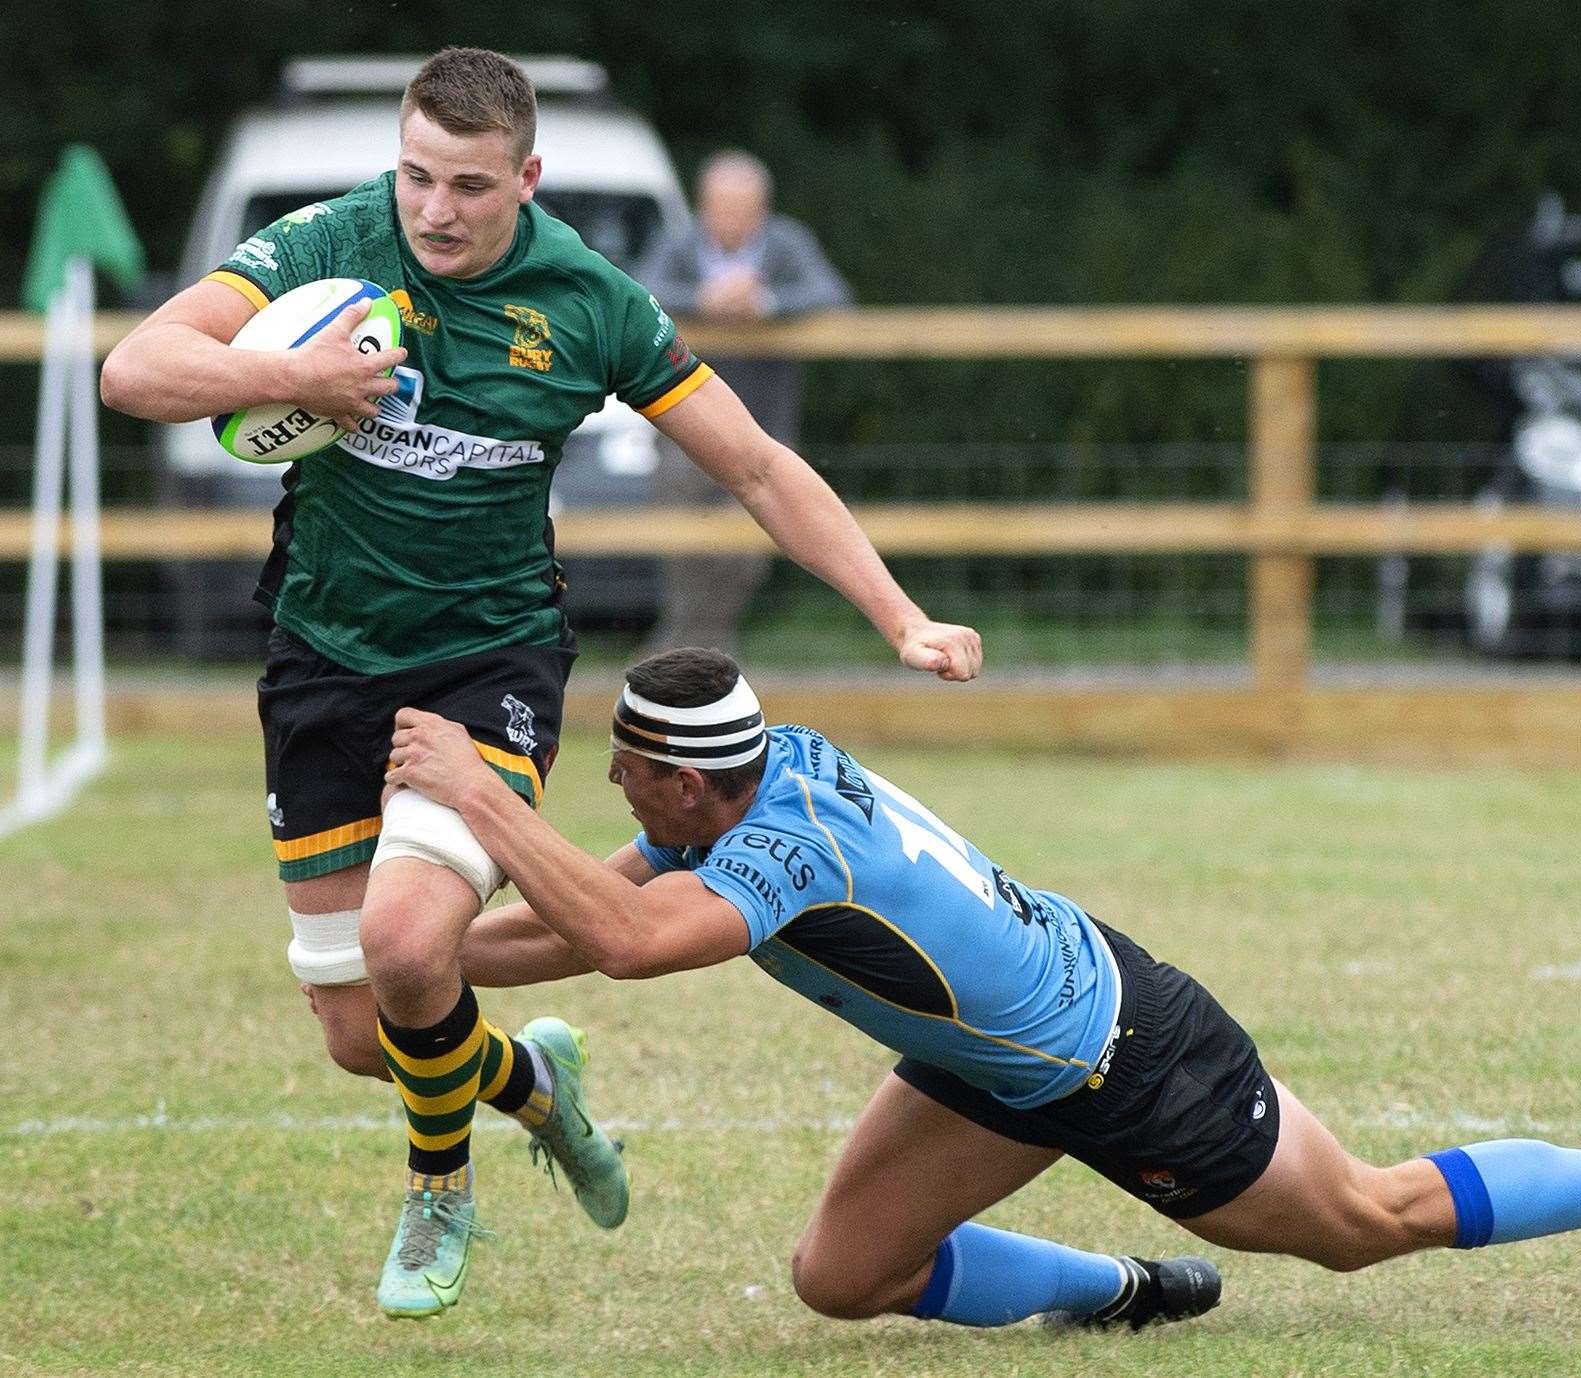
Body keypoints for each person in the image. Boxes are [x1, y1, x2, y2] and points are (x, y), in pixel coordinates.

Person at [98, 48, 981, 1320]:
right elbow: (137, 371)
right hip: (321, 657)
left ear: (528, 177)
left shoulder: (592, 300)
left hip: (486, 658)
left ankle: (439, 1190)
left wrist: (900, 615)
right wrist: (296, 377)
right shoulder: (330, 242)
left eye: (466, 184)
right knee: (362, 1029)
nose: (433, 210)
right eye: (415, 176)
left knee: (413, 946)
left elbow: (758, 469)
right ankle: (534, 1087)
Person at [385, 647, 1581, 1331]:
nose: (611, 788)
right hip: (1000, 1061)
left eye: (627, 773)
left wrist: (470, 798)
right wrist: (414, 947)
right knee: (843, 1277)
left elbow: (624, 945)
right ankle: (1128, 1293)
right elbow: (599, 911)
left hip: (1126, 1056)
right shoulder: (753, 774)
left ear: (688, 781)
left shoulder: (776, 853)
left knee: (1363, 1224)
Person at [635, 149, 853, 654]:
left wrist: (766, 305)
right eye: (722, 207)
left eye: (743, 208)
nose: (731, 219)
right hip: (681, 421)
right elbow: (638, 290)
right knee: (682, 543)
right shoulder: (679, 243)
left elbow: (833, 292)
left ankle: (684, 648)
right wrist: (704, 301)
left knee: (751, 547)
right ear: (702, 205)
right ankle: (698, 650)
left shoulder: (787, 243)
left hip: (765, 424)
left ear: (764, 208)